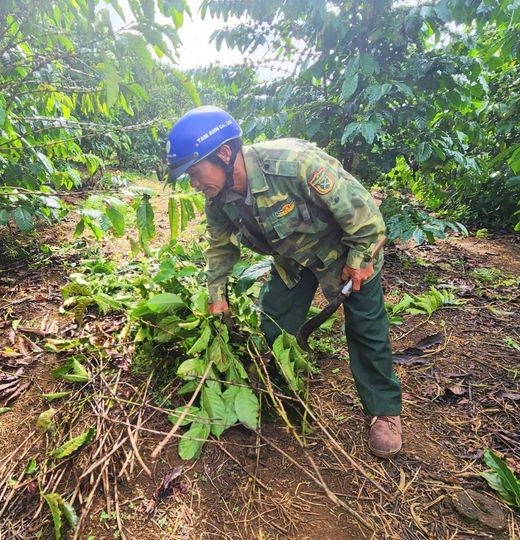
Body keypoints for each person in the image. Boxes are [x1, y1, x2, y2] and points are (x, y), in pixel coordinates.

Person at [165, 106, 403, 458]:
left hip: (348, 253)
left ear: (226, 154)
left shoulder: (295, 164)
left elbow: (365, 218)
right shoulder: (219, 198)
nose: (195, 184)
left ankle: (384, 411)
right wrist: (216, 294)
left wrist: (360, 261)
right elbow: (219, 248)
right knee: (274, 320)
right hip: (293, 259)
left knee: (366, 328)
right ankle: (281, 384)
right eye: (189, 177)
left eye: (196, 172)